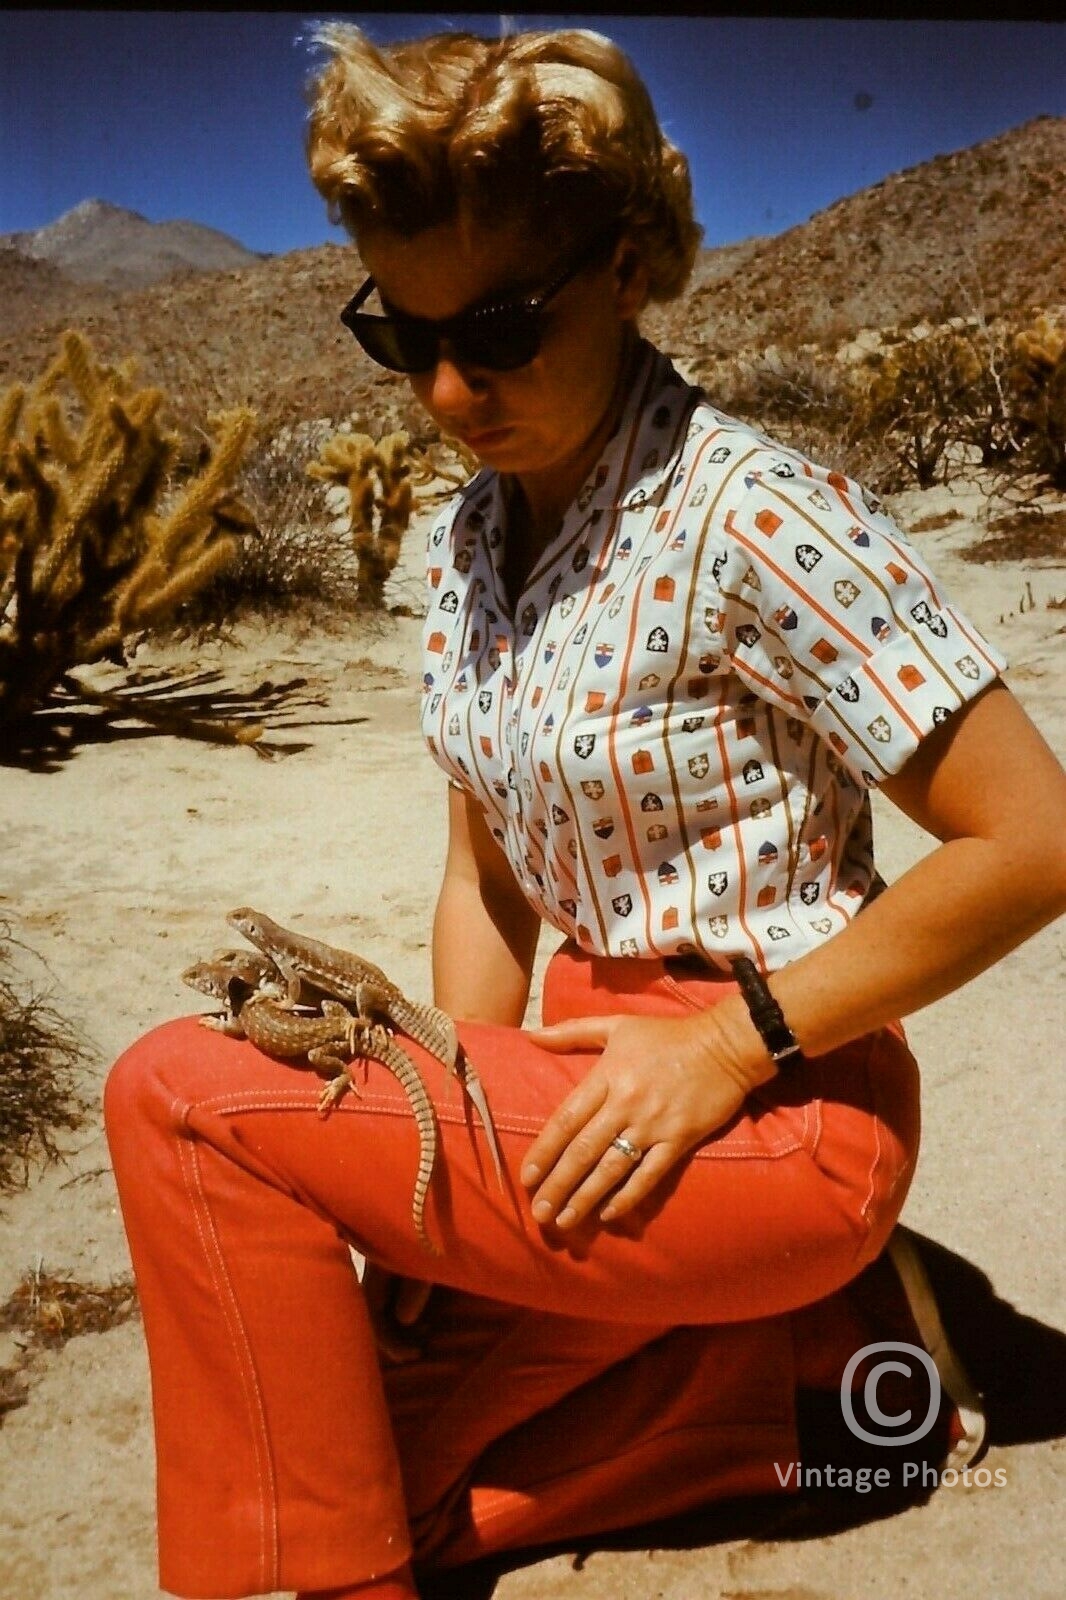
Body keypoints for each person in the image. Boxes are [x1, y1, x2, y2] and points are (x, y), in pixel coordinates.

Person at [104, 22, 1066, 1600]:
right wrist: (434, 1156)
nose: (445, 387)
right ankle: (801, 1374)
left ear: (625, 268)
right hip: (577, 1110)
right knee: (330, 1460)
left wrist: (723, 1042)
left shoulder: (751, 513)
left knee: (180, 1096)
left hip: (774, 1106)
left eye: (497, 327)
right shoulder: (469, 544)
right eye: (396, 339)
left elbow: (1027, 837)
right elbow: (486, 880)